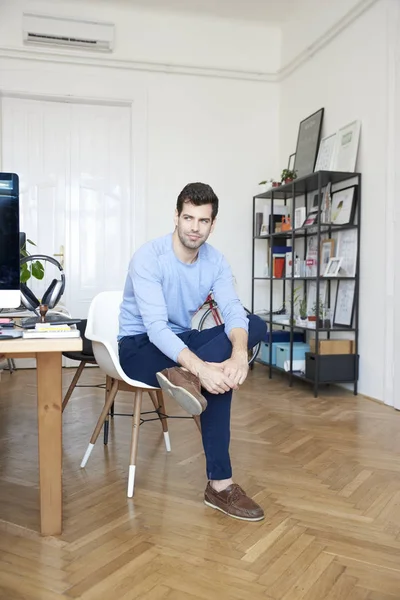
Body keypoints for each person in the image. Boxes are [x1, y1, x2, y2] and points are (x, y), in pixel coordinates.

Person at [118, 182, 267, 521]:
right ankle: (220, 485)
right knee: (214, 377)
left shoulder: (215, 260)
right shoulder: (149, 257)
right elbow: (155, 327)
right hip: (138, 345)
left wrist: (239, 354)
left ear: (212, 224)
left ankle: (185, 374)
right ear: (176, 216)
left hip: (182, 339)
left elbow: (233, 309)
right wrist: (203, 369)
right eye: (188, 218)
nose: (194, 228)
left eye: (203, 221)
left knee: (254, 325)